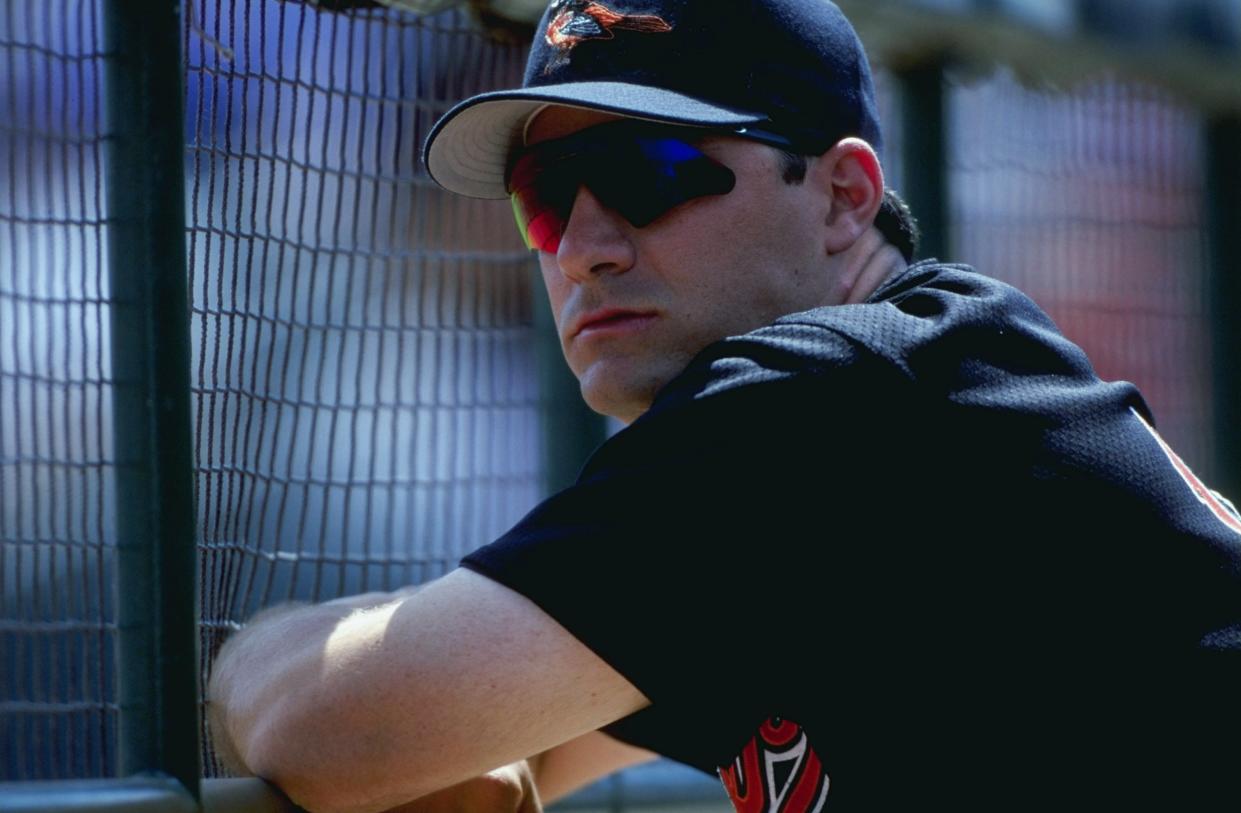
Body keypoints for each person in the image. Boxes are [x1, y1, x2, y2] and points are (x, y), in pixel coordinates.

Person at [207, 1, 1241, 811]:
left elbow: (329, 732)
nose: (582, 246)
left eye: (645, 172)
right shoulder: (914, 400)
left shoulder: (826, 401)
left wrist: (252, 657)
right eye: (544, 195)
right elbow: (458, 768)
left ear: (841, 195)